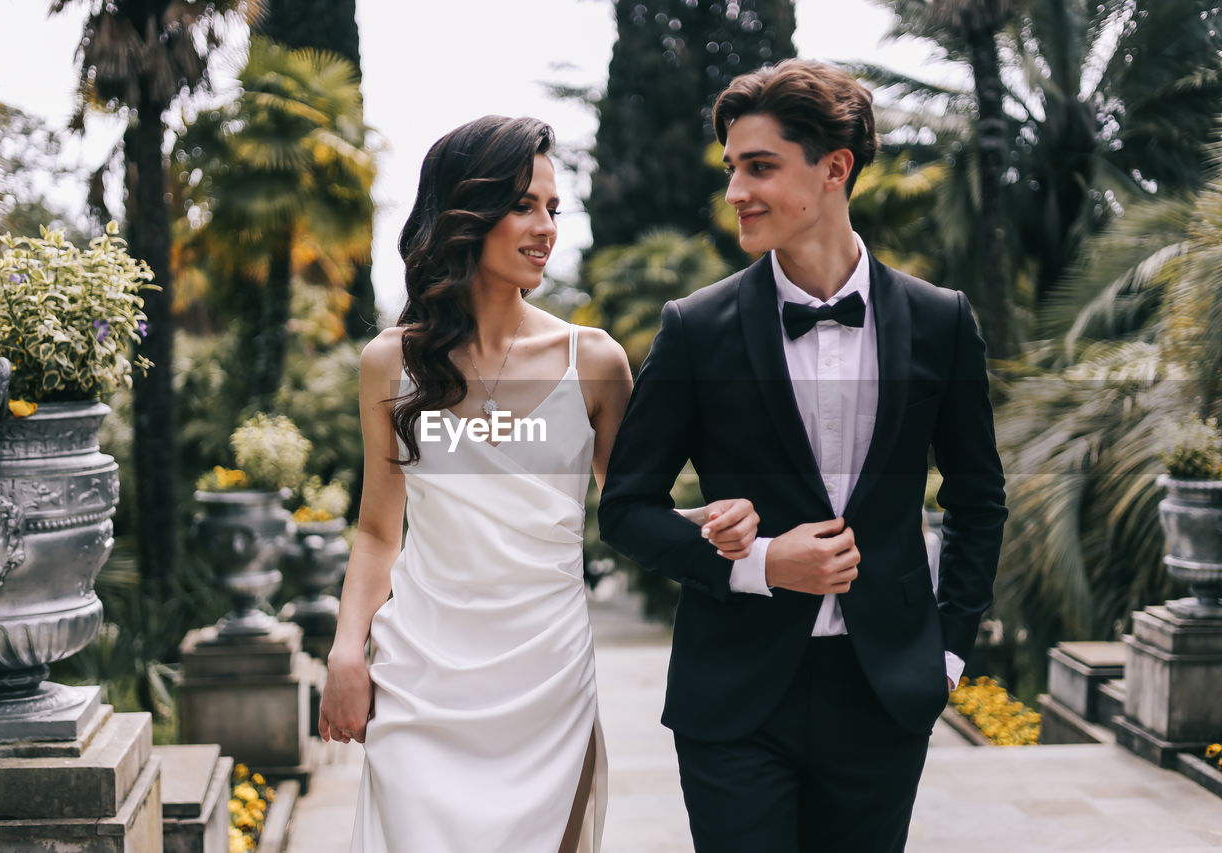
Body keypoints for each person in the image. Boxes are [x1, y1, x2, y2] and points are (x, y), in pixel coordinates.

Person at [317, 115, 759, 853]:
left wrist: (717, 524)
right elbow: (376, 531)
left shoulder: (595, 360)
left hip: (545, 679)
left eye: (553, 209)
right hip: (421, 678)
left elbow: (632, 512)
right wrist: (345, 650)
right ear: (467, 209)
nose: (546, 227)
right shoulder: (389, 364)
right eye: (524, 205)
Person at [598, 59, 1008, 852]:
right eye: (731, 170)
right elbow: (626, 508)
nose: (735, 192)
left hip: (883, 690)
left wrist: (947, 650)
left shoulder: (940, 321)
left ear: (834, 168)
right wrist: (758, 563)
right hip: (734, 699)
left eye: (759, 167)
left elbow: (978, 497)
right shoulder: (696, 328)